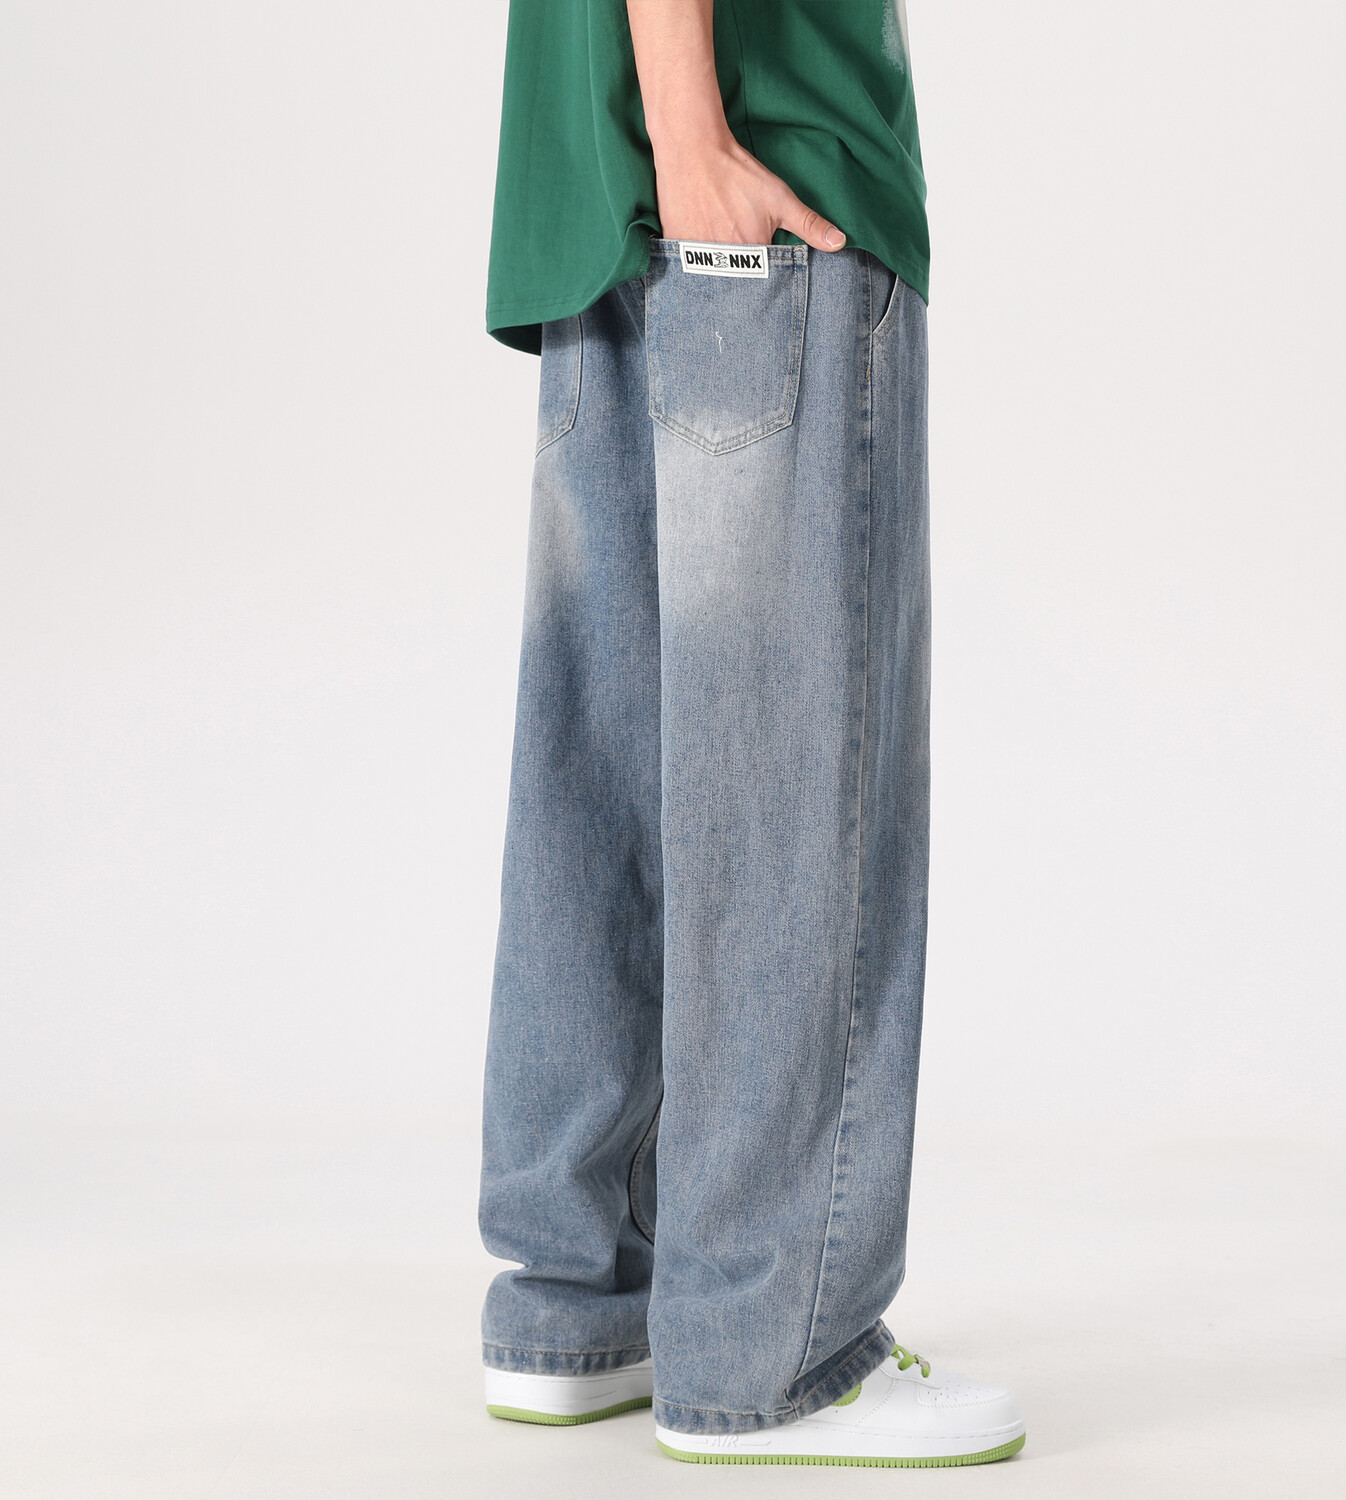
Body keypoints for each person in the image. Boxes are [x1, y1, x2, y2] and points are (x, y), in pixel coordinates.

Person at [477, 0, 1025, 1467]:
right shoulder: (724, 144)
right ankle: (772, 1348)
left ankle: (582, 1303)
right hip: (763, 154)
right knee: (792, 787)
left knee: (610, 773)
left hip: (591, 189)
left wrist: (661, 132)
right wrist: (692, 129)